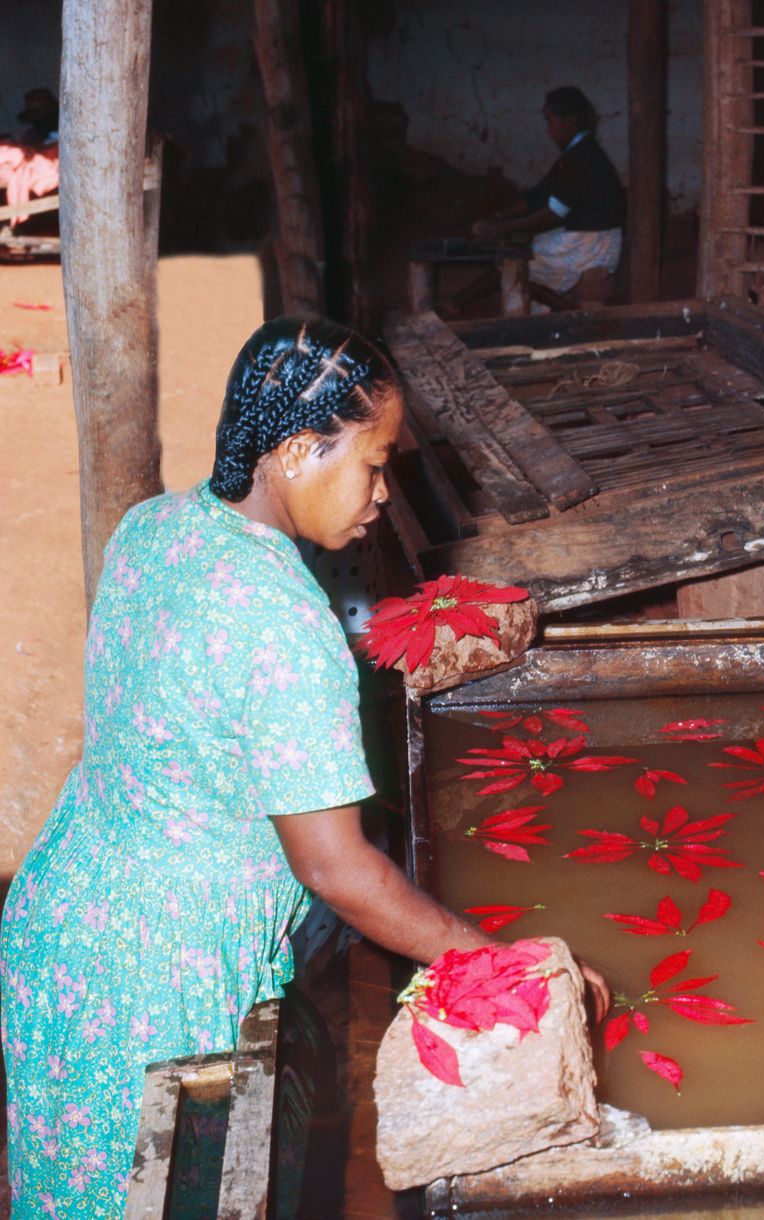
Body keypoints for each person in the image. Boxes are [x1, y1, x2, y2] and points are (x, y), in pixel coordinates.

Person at [0, 317, 609, 1218]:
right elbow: (333, 868)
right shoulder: (286, 622)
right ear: (295, 451)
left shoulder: (154, 525)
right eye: (373, 463)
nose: (383, 494)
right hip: (160, 993)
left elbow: (195, 709)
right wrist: (503, 966)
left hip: (58, 933)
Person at [471, 86, 624, 307]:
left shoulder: (582, 156)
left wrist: (503, 228)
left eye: (550, 121)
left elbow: (553, 212)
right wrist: (498, 217)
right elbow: (538, 196)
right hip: (583, 235)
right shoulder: (575, 154)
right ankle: (557, 311)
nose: (548, 130)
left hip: (594, 242)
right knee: (524, 254)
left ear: (570, 122)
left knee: (518, 262)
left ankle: (458, 302)